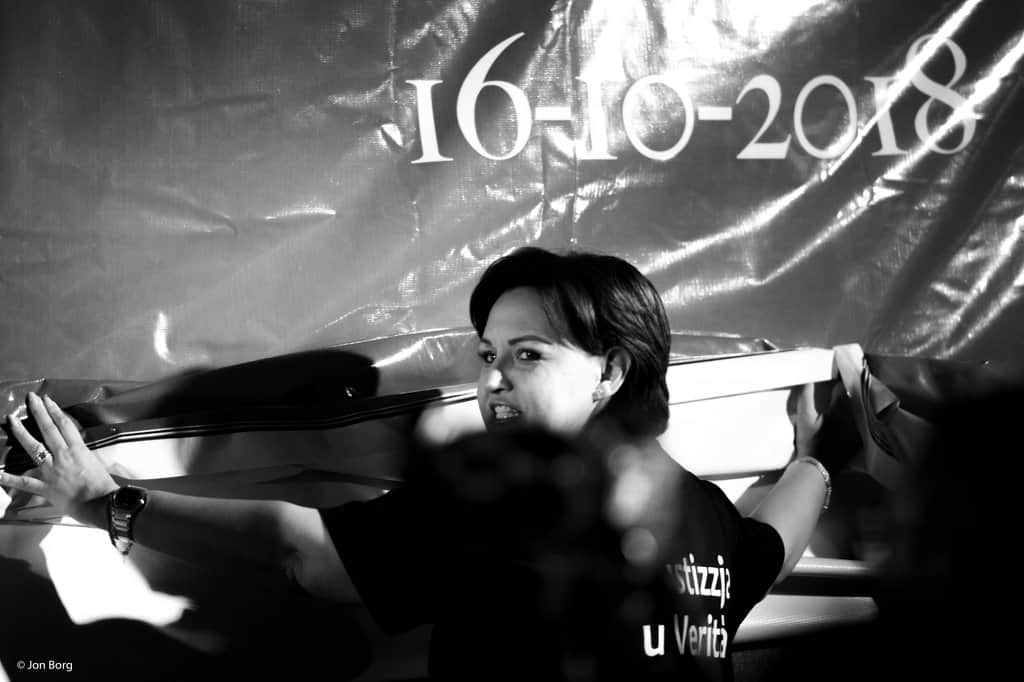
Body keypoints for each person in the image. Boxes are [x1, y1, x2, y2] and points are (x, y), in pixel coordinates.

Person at [1, 247, 831, 680]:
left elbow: (303, 553)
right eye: (488, 354)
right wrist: (818, 460)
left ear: (611, 371)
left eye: (529, 355)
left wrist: (105, 502)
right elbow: (776, 542)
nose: (493, 380)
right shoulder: (704, 521)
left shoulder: (514, 495)